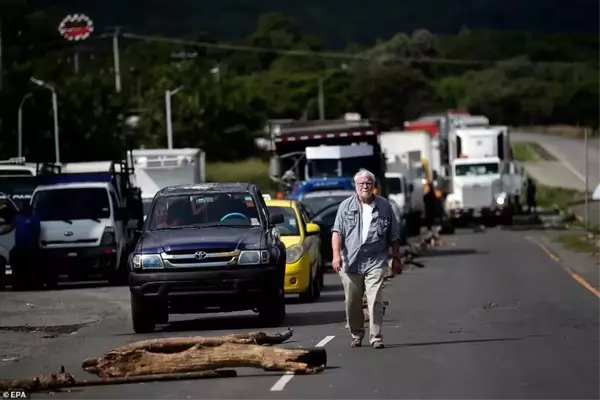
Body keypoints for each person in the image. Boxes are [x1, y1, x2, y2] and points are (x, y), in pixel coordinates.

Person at [331, 169, 403, 349]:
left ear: (373, 186)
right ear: (355, 186)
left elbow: (393, 235)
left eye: (368, 183)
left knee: (375, 299)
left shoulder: (385, 206)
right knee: (352, 301)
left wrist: (396, 257)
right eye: (361, 183)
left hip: (376, 260)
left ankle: (376, 337)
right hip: (350, 261)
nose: (365, 186)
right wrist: (335, 256)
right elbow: (337, 233)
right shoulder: (345, 207)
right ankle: (357, 333)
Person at [11, 201, 41, 290]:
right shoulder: (18, 218)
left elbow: (37, 232)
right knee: (21, 267)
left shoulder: (33, 219)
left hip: (29, 248)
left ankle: (28, 284)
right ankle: (20, 285)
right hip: (23, 248)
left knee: (28, 267)